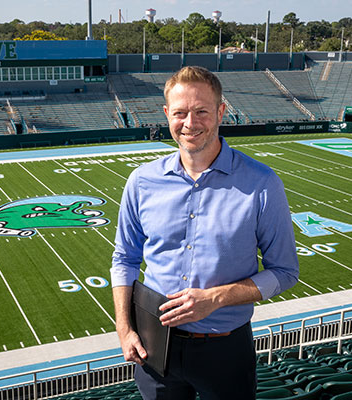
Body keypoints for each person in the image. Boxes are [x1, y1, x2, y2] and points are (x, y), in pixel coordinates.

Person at [111, 66, 299, 399]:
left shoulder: (261, 183)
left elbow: (284, 273)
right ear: (167, 114)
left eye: (202, 112)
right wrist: (125, 329)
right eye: (180, 113)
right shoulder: (141, 181)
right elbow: (125, 258)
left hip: (225, 350)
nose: (190, 123)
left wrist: (215, 299)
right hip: (155, 345)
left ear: (221, 112)